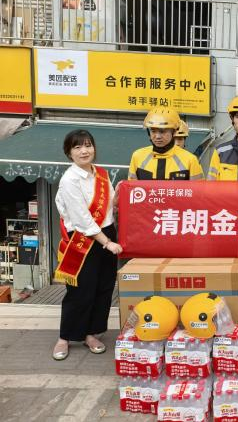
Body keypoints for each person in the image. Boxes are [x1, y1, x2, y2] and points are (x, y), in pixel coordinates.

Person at [52, 130, 123, 361]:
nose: (84, 151)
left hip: (106, 232)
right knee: (80, 291)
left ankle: (91, 334)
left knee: (104, 288)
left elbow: (110, 206)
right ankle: (65, 337)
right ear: (69, 153)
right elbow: (82, 219)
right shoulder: (69, 180)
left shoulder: (101, 173)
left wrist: (121, 193)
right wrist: (107, 243)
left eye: (88, 145)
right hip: (84, 238)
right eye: (77, 147)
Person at [129, 108, 204, 180]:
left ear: (174, 132)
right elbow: (131, 187)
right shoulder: (137, 157)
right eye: (153, 131)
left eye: (163, 131)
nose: (158, 136)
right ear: (149, 132)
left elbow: (198, 188)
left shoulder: (190, 160)